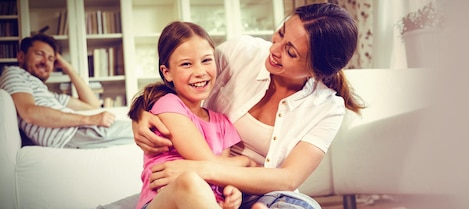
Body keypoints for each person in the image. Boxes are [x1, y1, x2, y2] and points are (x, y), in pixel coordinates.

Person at [132, 3, 364, 209]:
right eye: (281, 34)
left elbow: (288, 178)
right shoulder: (241, 51)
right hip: (209, 189)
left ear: (316, 71)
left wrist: (203, 170)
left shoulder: (328, 108)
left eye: (290, 52)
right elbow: (183, 81)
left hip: (255, 193)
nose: (275, 49)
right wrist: (140, 112)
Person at [127, 21, 255, 209]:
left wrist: (230, 190)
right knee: (190, 181)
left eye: (206, 60)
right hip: (163, 201)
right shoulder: (168, 105)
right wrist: (247, 162)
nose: (199, 72)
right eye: (186, 64)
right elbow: (209, 163)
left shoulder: (222, 122)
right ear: (167, 73)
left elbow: (221, 172)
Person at [0, 33, 133, 149]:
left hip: (78, 132)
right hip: (70, 135)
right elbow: (29, 113)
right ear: (21, 57)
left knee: (143, 131)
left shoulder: (47, 95)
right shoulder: (14, 73)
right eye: (39, 54)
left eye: (51, 59)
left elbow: (93, 104)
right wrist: (91, 119)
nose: (46, 62)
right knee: (144, 131)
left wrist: (67, 66)